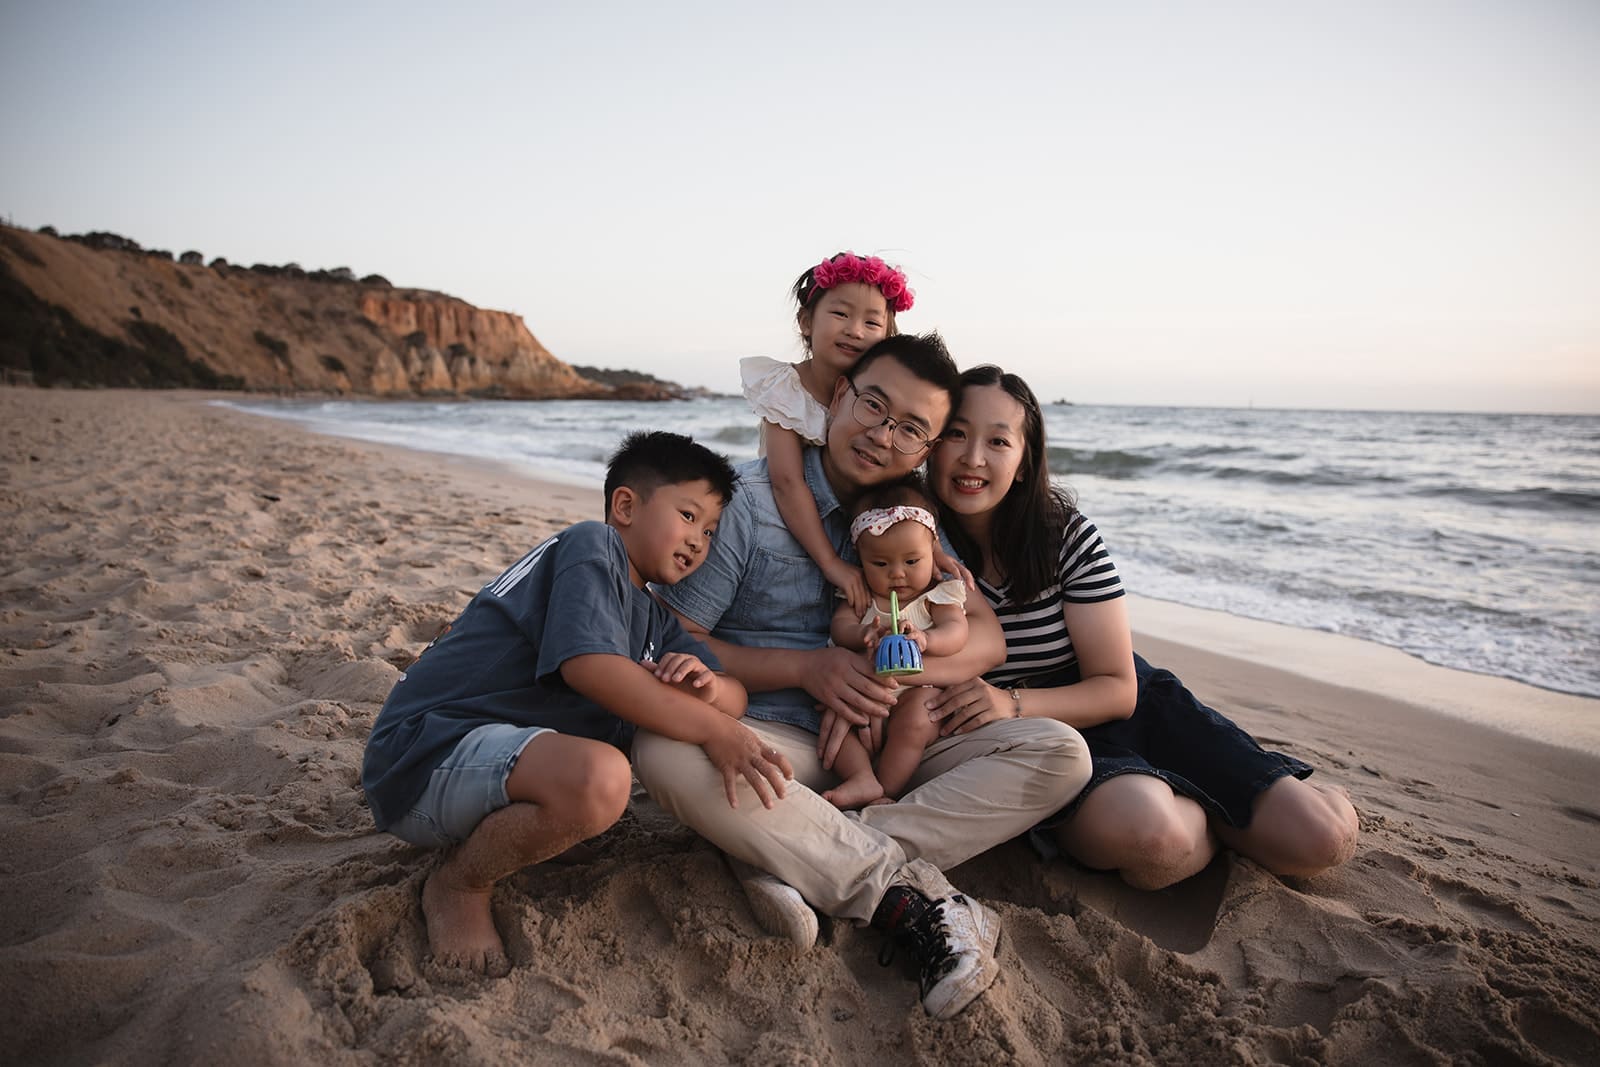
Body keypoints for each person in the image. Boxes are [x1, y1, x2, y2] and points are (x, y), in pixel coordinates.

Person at [634, 333, 1091, 1020]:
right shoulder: (749, 506)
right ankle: (903, 892)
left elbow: (987, 637)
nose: (883, 436)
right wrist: (810, 668)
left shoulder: (917, 523)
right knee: (661, 748)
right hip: (777, 737)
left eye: (912, 429)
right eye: (873, 406)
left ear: (928, 447)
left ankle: (794, 851)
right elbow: (676, 639)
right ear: (839, 393)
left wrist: (898, 669)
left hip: (895, 741)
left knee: (1060, 752)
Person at [360, 431, 787, 977]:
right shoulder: (592, 547)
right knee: (602, 781)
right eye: (687, 516)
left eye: (709, 531)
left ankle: (522, 829)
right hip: (423, 756)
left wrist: (710, 686)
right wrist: (712, 729)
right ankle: (460, 882)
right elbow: (591, 668)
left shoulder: (652, 615)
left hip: (489, 764)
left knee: (601, 783)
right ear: (625, 505)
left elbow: (735, 693)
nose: (699, 541)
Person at [924, 365, 1360, 890]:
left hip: (1123, 705)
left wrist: (1008, 701)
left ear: (1022, 463)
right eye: (957, 433)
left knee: (1321, 840)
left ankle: (1286, 797)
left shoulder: (1063, 536)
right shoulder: (912, 542)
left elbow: (1117, 688)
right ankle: (1210, 816)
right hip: (1049, 745)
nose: (973, 458)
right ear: (932, 443)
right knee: (1157, 838)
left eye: (998, 440)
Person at [740, 251, 965, 618]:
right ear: (805, 322)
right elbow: (786, 482)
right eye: (841, 314)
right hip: (788, 509)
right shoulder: (786, 389)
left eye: (871, 323)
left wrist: (931, 549)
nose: (855, 330)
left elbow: (905, 490)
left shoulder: (879, 399)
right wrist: (830, 562)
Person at [825, 478, 969, 809]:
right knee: (836, 715)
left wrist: (925, 638)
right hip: (863, 690)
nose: (897, 574)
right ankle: (861, 777)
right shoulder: (862, 596)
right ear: (861, 559)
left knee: (919, 718)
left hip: (916, 692)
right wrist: (865, 635)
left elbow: (957, 632)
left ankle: (886, 788)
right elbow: (840, 627)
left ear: (933, 550)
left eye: (911, 561)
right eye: (880, 564)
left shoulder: (937, 596)